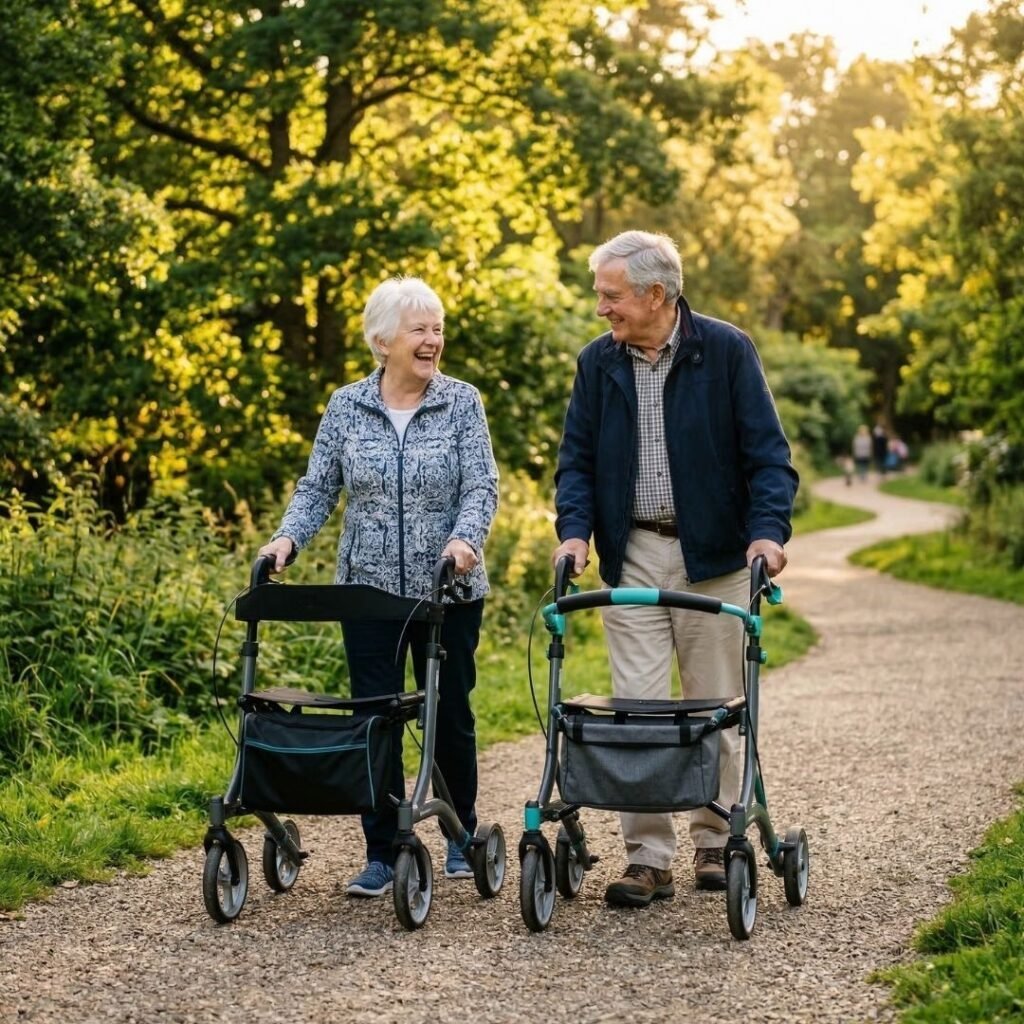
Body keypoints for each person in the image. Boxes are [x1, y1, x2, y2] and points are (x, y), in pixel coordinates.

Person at [552, 230, 798, 908]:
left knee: (715, 703)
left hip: (715, 560)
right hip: (632, 552)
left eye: (611, 296)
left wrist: (768, 536)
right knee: (640, 711)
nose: (601, 309)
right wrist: (574, 534)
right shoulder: (597, 364)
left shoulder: (725, 351)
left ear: (655, 294)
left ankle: (716, 843)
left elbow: (769, 459)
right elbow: (576, 462)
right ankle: (648, 857)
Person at [258, 276, 499, 898]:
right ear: (382, 340)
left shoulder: (462, 402)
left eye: (438, 328)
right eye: (419, 329)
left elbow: (481, 487)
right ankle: (382, 847)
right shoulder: (346, 406)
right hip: (366, 593)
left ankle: (458, 834)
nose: (433, 340)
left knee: (450, 715)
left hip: (446, 590)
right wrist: (285, 540)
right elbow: (317, 489)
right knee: (375, 716)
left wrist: (465, 542)